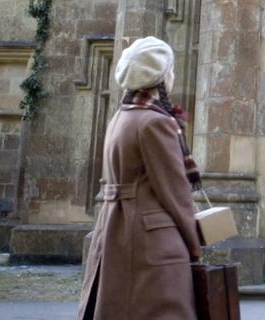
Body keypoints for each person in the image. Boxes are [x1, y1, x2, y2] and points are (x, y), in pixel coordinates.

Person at [78, 36, 201, 320]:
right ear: (159, 78)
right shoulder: (156, 122)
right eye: (169, 71)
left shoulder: (121, 116)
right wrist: (194, 243)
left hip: (116, 232)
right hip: (151, 243)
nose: (172, 76)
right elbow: (175, 191)